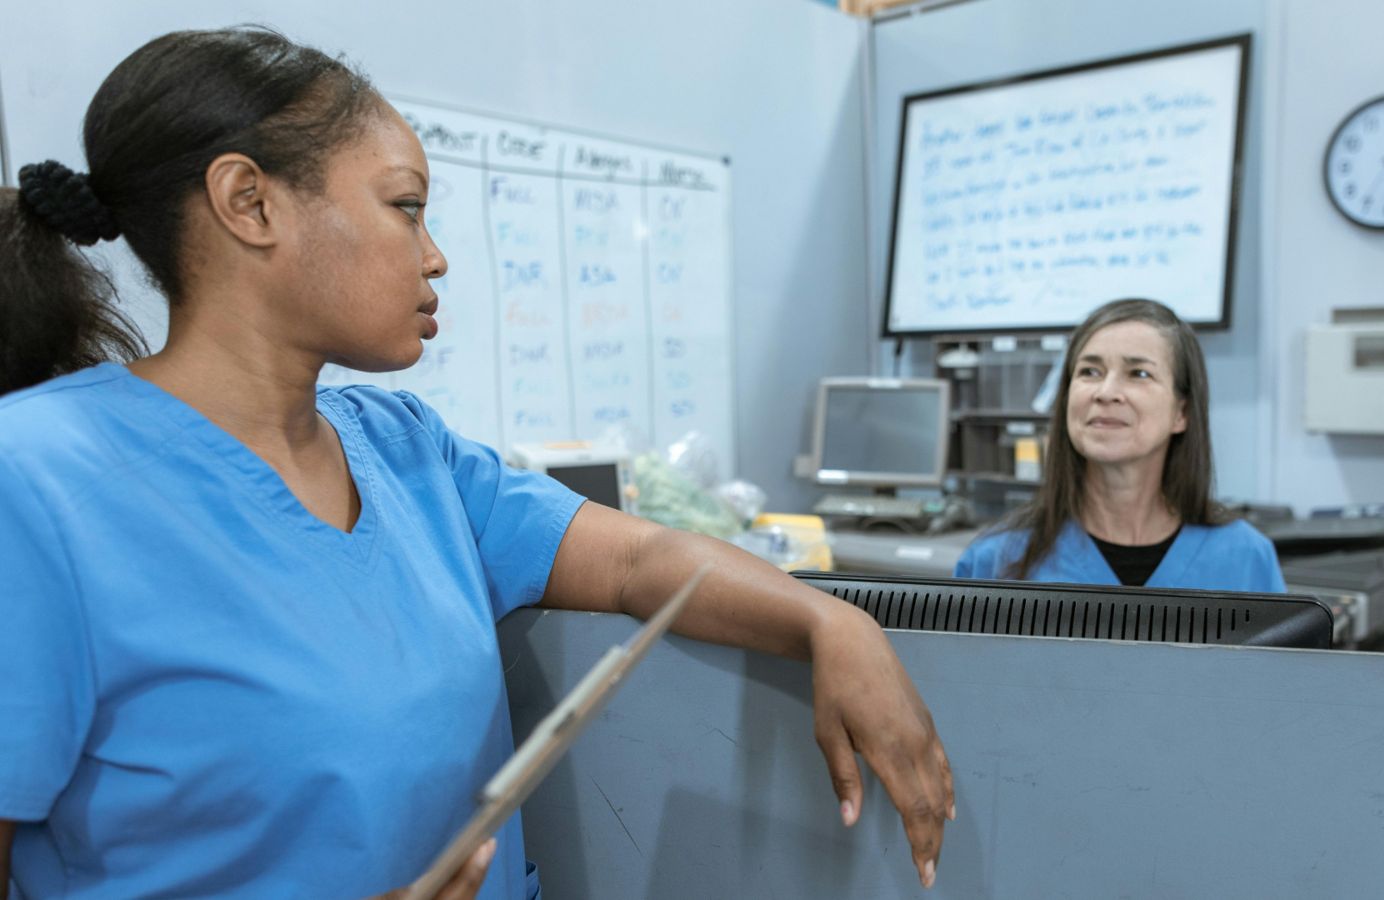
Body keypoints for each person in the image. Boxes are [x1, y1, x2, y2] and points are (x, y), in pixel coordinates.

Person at [0, 27, 952, 899]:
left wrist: (830, 621)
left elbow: (638, 564)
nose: (437, 256)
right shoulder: (39, 480)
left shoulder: (406, 450)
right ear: (249, 203)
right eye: (406, 208)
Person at [955, 299, 1284, 592]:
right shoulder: (995, 560)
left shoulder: (1245, 558)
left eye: (1138, 373)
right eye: (1090, 371)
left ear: (1181, 412)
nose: (1106, 391)